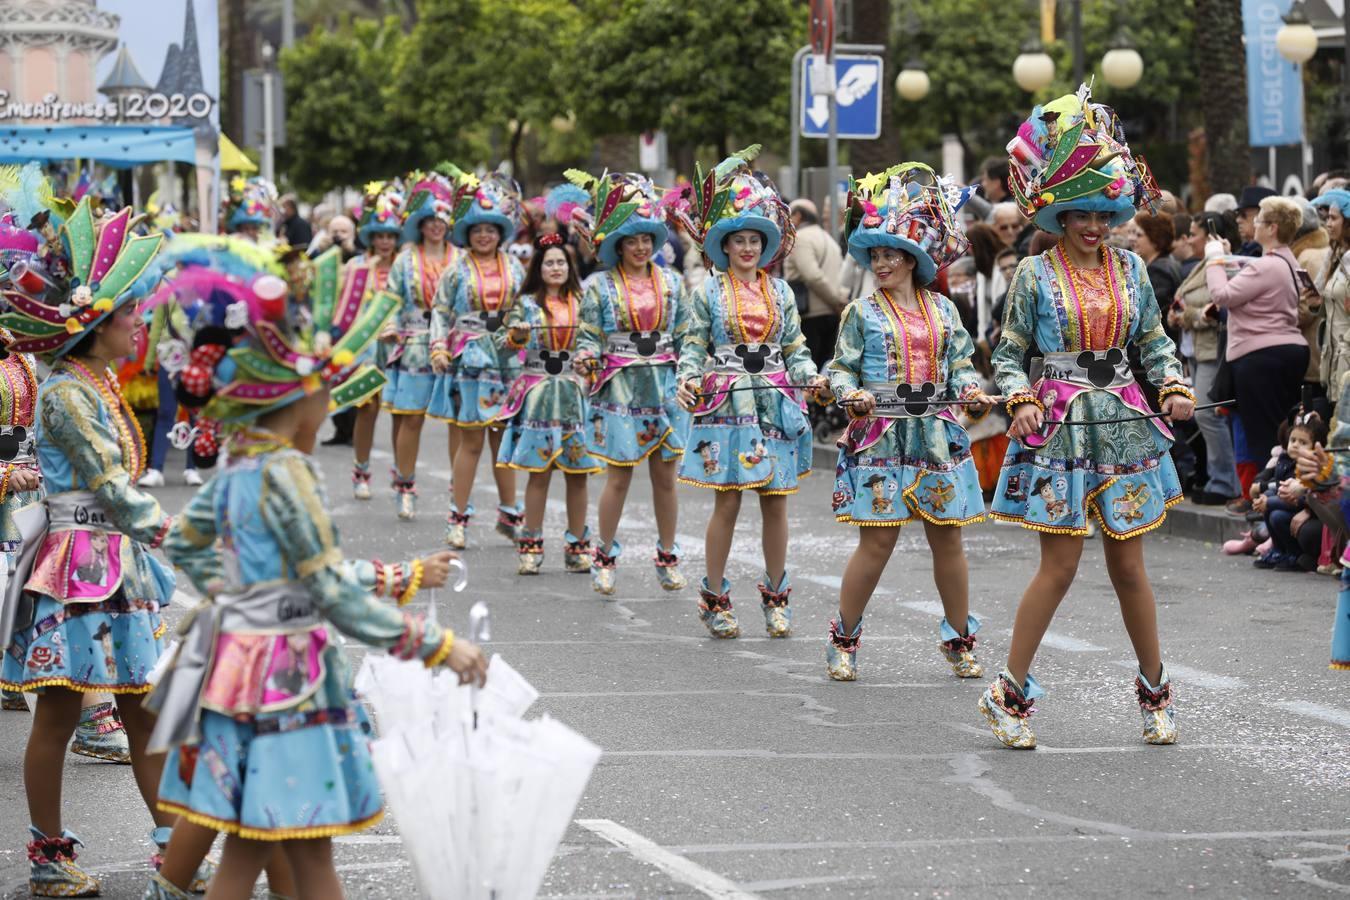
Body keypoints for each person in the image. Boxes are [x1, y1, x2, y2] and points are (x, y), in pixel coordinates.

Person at [140, 235, 488, 900]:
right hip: (287, 676)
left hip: (236, 665)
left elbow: (183, 540)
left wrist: (228, 596)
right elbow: (328, 586)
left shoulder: (237, 471)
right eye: (324, 395)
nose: (329, 406)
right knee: (298, 845)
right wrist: (439, 646)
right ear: (297, 402)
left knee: (263, 841)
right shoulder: (289, 473)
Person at [983, 87, 1196, 749]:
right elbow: (1011, 350)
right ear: (1060, 213)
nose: (1094, 227)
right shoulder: (1033, 274)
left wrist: (1173, 386)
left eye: (1103, 214)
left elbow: (1155, 345)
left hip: (1125, 422)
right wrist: (1018, 400)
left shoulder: (1133, 270)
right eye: (1080, 215)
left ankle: (1155, 692)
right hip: (1061, 428)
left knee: (1130, 568)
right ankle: (1009, 692)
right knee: (1061, 567)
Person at [0, 197, 188, 895]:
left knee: (140, 705)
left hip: (116, 562)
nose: (140, 322)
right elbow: (110, 483)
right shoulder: (67, 395)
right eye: (131, 313)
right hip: (75, 565)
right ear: (99, 326)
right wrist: (180, 534)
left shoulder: (97, 381)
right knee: (57, 709)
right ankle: (48, 857)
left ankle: (176, 849)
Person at [824, 163, 995, 682]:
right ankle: (845, 637)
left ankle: (960, 638)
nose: (881, 262)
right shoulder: (860, 312)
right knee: (877, 541)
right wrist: (850, 394)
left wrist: (970, 391)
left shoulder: (944, 309)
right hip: (880, 436)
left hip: (937, 434)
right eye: (875, 254)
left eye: (890, 254)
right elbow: (839, 369)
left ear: (914, 259)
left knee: (948, 538)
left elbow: (961, 365)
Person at [671, 146, 830, 639]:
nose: (746, 248)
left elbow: (795, 347)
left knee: (776, 502)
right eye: (737, 240)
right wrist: (688, 378)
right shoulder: (707, 292)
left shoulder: (782, 293)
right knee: (728, 502)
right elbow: (694, 345)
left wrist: (812, 377)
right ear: (724, 245)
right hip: (727, 404)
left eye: (753, 239)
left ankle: (775, 597)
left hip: (776, 400)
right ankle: (715, 597)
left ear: (765, 243)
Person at [565, 171, 691, 595]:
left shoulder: (673, 283)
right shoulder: (599, 287)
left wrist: (694, 368)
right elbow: (588, 335)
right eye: (632, 240)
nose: (641, 247)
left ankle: (668, 555)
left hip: (664, 384)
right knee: (618, 476)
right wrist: (585, 356)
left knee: (665, 477)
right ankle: (605, 554)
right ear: (618, 244)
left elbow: (688, 332)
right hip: (619, 385)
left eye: (647, 240)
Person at [429, 168, 526, 548]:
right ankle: (458, 517)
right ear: (467, 234)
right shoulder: (455, 271)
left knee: (503, 439)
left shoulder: (516, 268)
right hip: (470, 358)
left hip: (507, 358)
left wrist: (522, 331)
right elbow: (439, 311)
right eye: (477, 230)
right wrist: (438, 346)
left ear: (501, 232)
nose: (484, 235)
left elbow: (524, 309)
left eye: (491, 229)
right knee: (470, 441)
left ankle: (509, 513)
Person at [498, 234, 601, 574]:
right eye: (549, 263)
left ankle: (577, 546)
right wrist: (518, 335)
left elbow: (593, 340)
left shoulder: (584, 301)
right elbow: (505, 342)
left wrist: (588, 360)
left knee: (577, 474)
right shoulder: (525, 303)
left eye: (561, 262)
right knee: (538, 474)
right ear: (538, 269)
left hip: (573, 394)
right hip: (538, 395)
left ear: (569, 266)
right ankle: (531, 544)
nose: (555, 268)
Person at [1203, 195, 1310, 474]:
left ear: (1272, 228)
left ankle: (1271, 494)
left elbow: (1221, 295)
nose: (1255, 225)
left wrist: (1214, 259)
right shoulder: (1288, 261)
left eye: (1259, 220)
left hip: (1260, 357)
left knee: (1265, 437)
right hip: (1289, 350)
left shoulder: (1266, 266)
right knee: (1282, 431)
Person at [384, 170, 457, 520]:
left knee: (460, 419)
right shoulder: (405, 259)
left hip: (454, 345)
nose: (436, 227)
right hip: (414, 343)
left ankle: (461, 490)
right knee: (410, 418)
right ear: (420, 224)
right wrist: (388, 327)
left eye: (442, 220)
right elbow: (391, 300)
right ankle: (405, 484)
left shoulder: (461, 258)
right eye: (430, 221)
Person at [1171, 211, 1243, 504]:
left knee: (1208, 413)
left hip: (1212, 348)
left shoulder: (1223, 263)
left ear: (1210, 236)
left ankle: (1226, 481)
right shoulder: (1201, 265)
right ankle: (1220, 478)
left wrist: (1184, 315)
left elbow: (1216, 309)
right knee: (1206, 415)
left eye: (1194, 233)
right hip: (1199, 348)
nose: (1189, 239)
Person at [348, 180, 405, 500]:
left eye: (390, 236)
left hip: (398, 346)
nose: (384, 242)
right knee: (367, 407)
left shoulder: (406, 265)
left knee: (401, 411)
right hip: (366, 347)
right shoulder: (356, 266)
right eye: (379, 235)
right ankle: (361, 469)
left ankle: (402, 472)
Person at [1250, 417, 1326, 571]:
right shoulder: (1284, 460)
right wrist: (1264, 497)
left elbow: (1300, 498)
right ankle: (1279, 550)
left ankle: (1294, 554)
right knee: (1271, 507)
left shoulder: (1311, 467)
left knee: (1277, 515)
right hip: (1288, 505)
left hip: (1306, 510)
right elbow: (1275, 484)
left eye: (1303, 443)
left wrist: (1268, 501)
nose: (1296, 445)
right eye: (1293, 440)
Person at [784, 198, 844, 371]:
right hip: (830, 313)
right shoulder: (827, 237)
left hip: (811, 315)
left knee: (808, 371)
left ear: (798, 215)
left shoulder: (801, 238)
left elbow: (812, 276)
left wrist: (835, 301)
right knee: (825, 368)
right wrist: (837, 303)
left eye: (789, 216)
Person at [1313, 190, 1350, 398]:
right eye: (1326, 218)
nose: (1328, 223)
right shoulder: (1336, 255)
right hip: (1334, 356)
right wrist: (1314, 303)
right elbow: (1326, 299)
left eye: (1334, 218)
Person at [223, 176, 277, 245]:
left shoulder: (264, 248)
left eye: (254, 228)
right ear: (238, 230)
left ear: (259, 230)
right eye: (245, 229)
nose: (250, 232)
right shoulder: (232, 247)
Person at [1235, 185, 1277, 257]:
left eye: (1243, 215)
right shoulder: (1245, 248)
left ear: (1262, 216)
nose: (1238, 220)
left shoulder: (1270, 254)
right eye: (1238, 214)